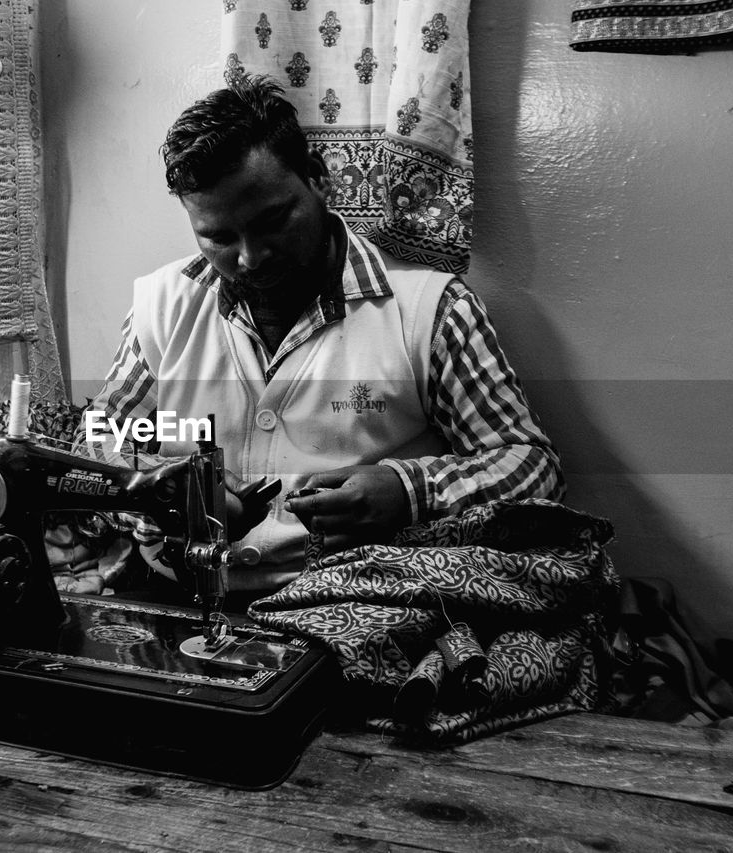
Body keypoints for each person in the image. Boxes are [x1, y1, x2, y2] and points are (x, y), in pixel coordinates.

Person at [80, 75, 562, 599]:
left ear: (317, 179)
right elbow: (105, 436)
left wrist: (407, 490)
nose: (249, 257)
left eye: (273, 220)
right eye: (218, 236)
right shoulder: (163, 304)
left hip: (352, 601)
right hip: (179, 588)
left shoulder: (429, 311)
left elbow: (532, 466)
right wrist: (169, 488)